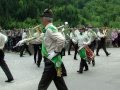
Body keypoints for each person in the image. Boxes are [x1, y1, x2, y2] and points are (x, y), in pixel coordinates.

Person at [38, 9, 68, 90]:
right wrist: (25, 41)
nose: (41, 20)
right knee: (60, 84)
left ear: (45, 19)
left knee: (42, 86)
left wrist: (56, 51)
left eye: (42, 18)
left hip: (51, 62)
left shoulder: (50, 28)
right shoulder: (47, 29)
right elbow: (42, 40)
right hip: (56, 63)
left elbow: (61, 39)